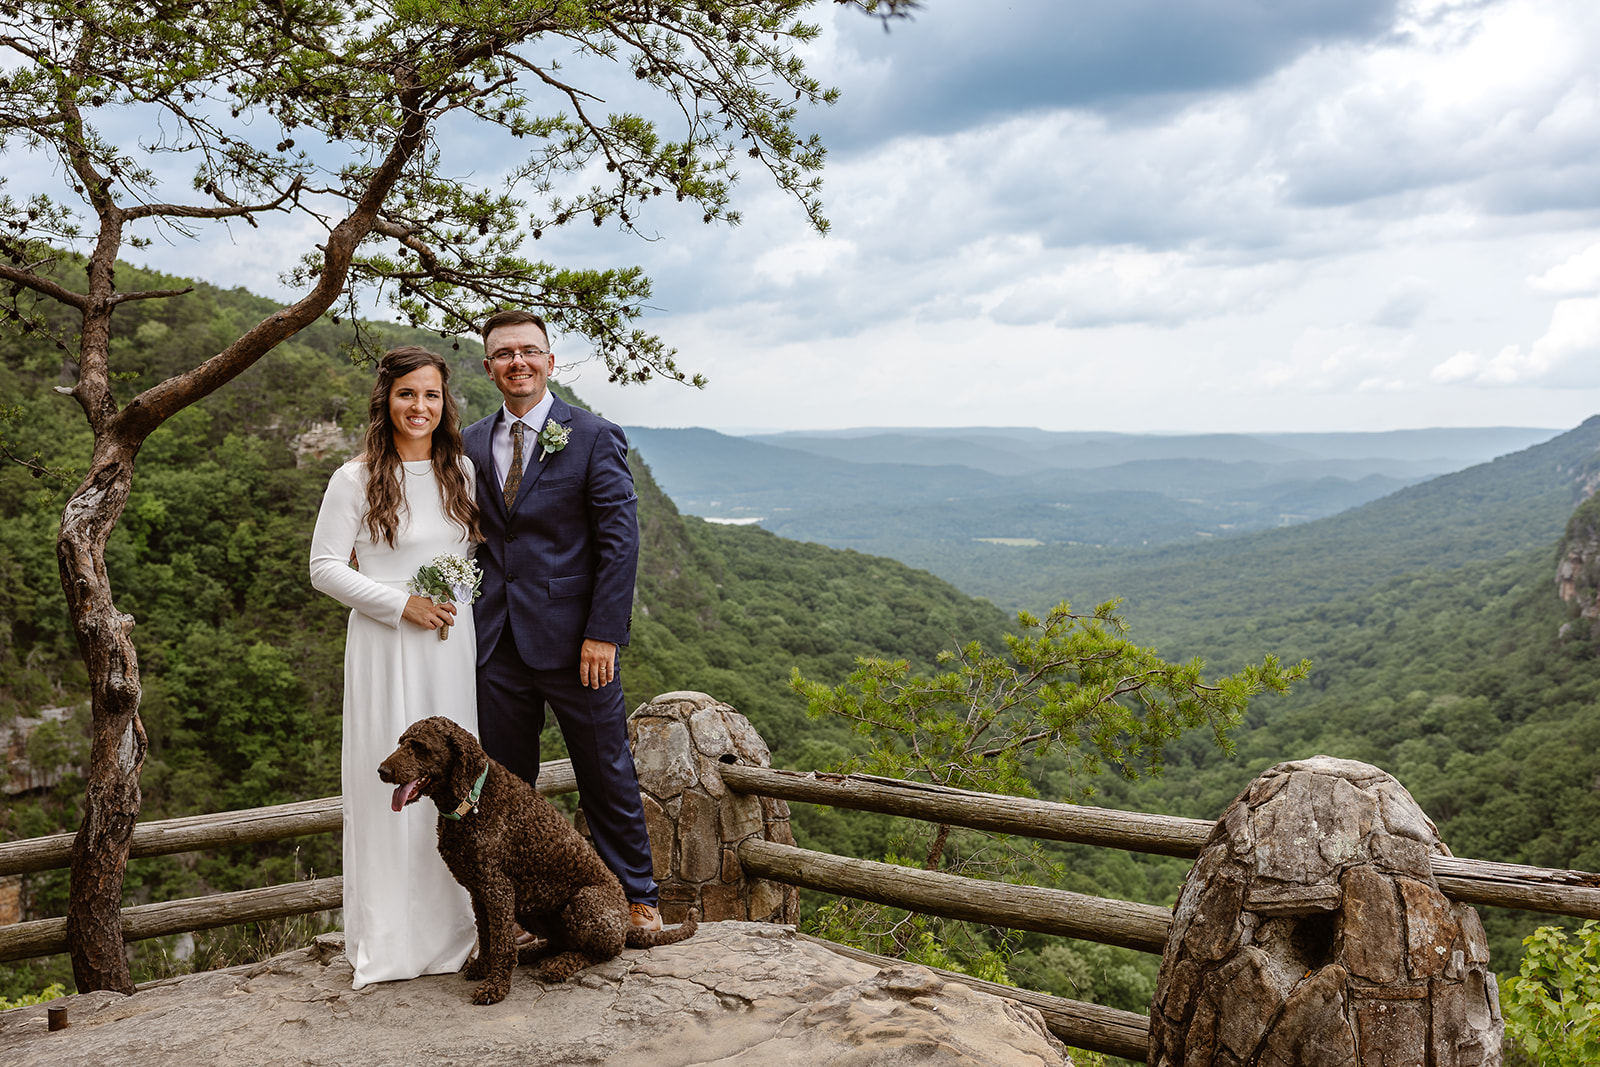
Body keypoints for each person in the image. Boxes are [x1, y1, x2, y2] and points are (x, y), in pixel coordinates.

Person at [462, 310, 661, 931]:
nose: (516, 362)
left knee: (604, 773)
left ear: (550, 361)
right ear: (488, 365)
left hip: (580, 645)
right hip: (495, 645)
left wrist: (603, 633)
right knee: (504, 792)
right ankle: (518, 916)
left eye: (529, 351)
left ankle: (638, 899)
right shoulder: (466, 442)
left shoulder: (595, 435)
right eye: (503, 353)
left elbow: (619, 542)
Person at [309, 346, 483, 988]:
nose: (420, 407)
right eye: (408, 394)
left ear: (446, 403)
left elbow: (468, 555)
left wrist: (451, 602)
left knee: (455, 786)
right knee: (389, 783)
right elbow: (323, 568)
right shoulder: (353, 479)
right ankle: (391, 939)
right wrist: (399, 604)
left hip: (449, 649)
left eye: (432, 395)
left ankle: (458, 930)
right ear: (387, 399)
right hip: (386, 647)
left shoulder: (459, 471)